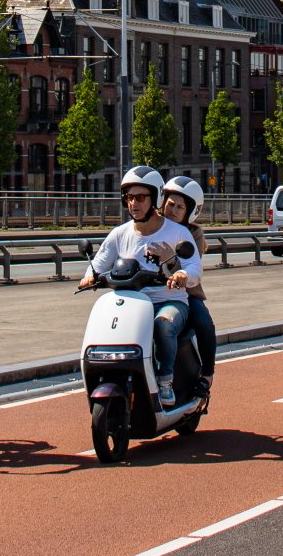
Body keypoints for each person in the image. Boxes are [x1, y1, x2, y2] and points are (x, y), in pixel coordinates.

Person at [79, 166, 201, 407]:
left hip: (168, 300)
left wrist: (182, 275)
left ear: (154, 198)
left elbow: (194, 267)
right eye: (130, 197)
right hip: (131, 304)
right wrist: (89, 276)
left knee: (163, 325)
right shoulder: (119, 234)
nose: (134, 203)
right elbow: (100, 262)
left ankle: (165, 380)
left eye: (141, 197)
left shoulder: (177, 232)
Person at [159, 176, 216, 391]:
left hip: (186, 293)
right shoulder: (154, 225)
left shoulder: (194, 234)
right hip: (153, 291)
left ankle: (207, 374)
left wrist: (174, 263)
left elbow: (192, 266)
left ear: (190, 211)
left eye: (179, 207)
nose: (173, 210)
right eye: (170, 204)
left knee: (202, 321)